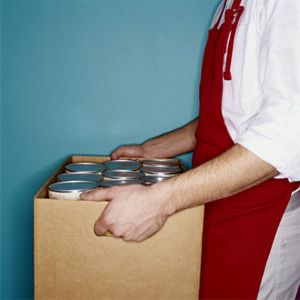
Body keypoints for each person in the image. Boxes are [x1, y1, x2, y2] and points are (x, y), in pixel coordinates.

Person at [81, 0, 300, 298]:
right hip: (216, 203)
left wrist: (158, 201)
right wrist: (152, 149)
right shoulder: (228, 6)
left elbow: (287, 134)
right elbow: (230, 115)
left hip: (261, 215)